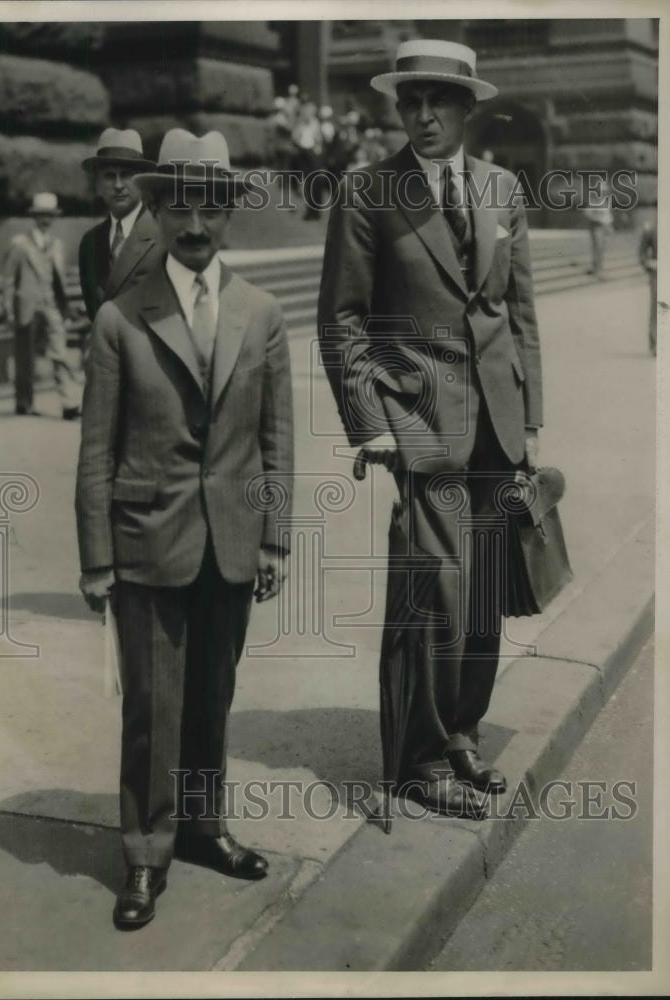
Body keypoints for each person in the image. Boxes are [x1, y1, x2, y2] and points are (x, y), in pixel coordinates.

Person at [317, 39, 543, 820]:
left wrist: (529, 421)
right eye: (407, 102)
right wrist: (369, 423)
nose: (419, 116)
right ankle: (416, 759)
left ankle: (461, 735)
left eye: (436, 102)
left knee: (483, 597)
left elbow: (518, 314)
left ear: (465, 109)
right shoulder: (365, 193)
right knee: (432, 595)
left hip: (497, 425)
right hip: (417, 422)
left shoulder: (501, 188)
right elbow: (341, 323)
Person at [75, 129, 294, 929]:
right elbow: (95, 447)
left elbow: (278, 436)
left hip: (232, 540)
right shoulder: (118, 318)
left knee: (211, 699)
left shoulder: (260, 313)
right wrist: (96, 558)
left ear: (230, 214)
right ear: (155, 210)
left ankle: (203, 827)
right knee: (151, 708)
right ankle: (143, 853)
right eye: (179, 207)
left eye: (210, 206)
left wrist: (273, 535)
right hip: (146, 541)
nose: (194, 225)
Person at [3, 192, 81, 419]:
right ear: (34, 217)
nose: (46, 220)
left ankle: (69, 403)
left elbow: (59, 279)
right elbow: (8, 280)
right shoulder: (19, 244)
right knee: (25, 357)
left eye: (50, 215)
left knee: (60, 352)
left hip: (52, 305)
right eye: (42, 215)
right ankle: (24, 403)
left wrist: (64, 306)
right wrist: (8, 310)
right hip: (27, 306)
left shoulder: (57, 245)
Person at [78, 128, 158, 324]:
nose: (118, 185)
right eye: (109, 176)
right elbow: (94, 315)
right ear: (97, 184)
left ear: (142, 181)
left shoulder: (161, 235)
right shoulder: (90, 243)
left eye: (126, 175)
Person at [638, 218, 657, 356]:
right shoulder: (651, 229)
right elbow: (642, 252)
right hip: (658, 272)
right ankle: (655, 343)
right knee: (657, 307)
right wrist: (648, 264)